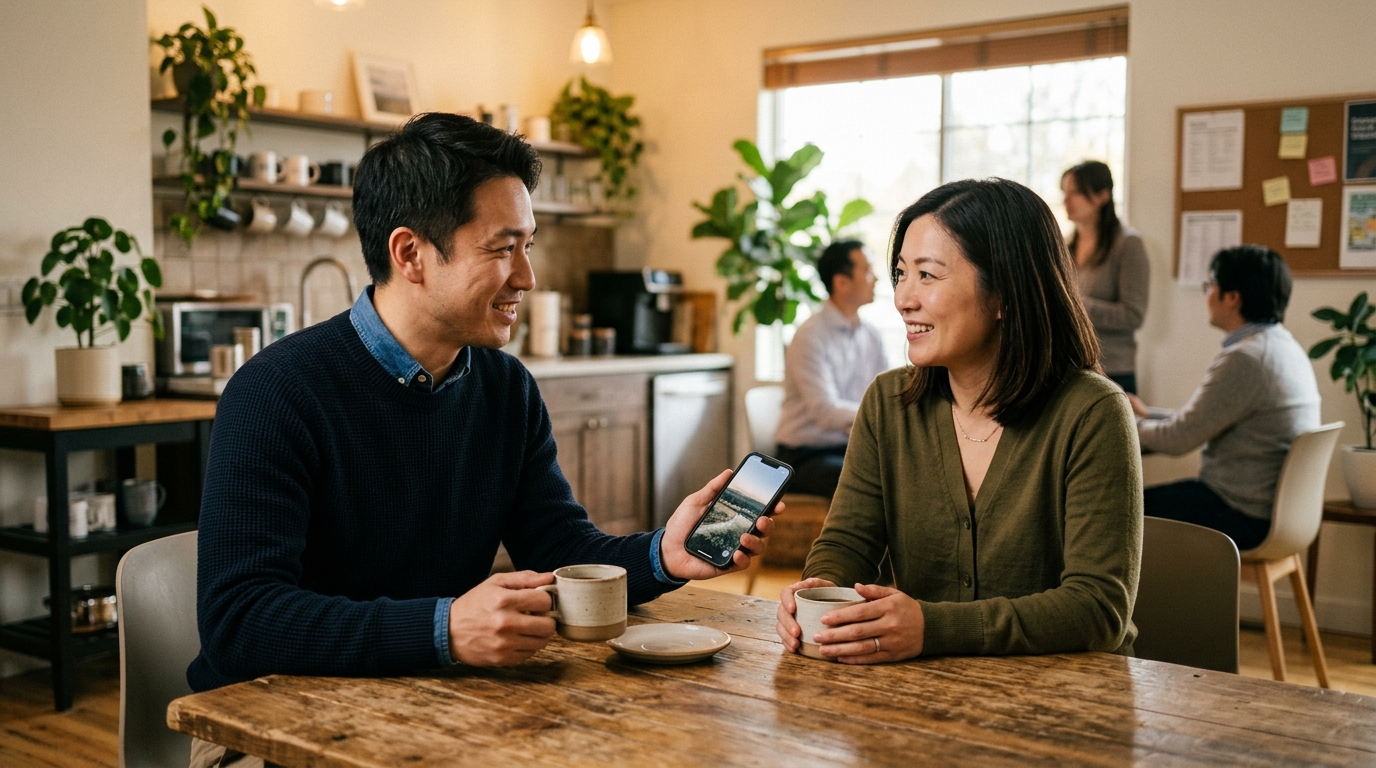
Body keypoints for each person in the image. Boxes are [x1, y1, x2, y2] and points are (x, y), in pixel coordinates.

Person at [189, 113, 776, 767]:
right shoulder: (275, 393)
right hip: (264, 730)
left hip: (432, 707)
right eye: (502, 248)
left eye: (527, 246)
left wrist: (663, 553)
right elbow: (240, 619)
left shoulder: (504, 388)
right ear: (410, 254)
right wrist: (442, 628)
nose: (527, 277)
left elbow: (561, 551)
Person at [775, 178, 1142, 664]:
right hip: (925, 695)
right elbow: (847, 542)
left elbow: (1098, 608)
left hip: (1068, 700)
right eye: (901, 273)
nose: (904, 298)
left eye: (927, 275)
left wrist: (933, 627)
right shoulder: (889, 403)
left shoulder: (1093, 413)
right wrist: (819, 593)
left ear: (1004, 294)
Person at [1130, 245, 1319, 551]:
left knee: (1117, 511)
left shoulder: (1247, 359)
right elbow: (1204, 420)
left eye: (1211, 285)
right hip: (1275, 513)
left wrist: (1122, 424)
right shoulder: (1282, 347)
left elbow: (1179, 440)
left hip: (1238, 513)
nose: (1207, 294)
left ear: (1232, 298)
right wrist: (1148, 415)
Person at [774, 240, 890, 496]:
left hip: (850, 447)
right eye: (868, 270)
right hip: (804, 456)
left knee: (903, 470)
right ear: (841, 282)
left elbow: (886, 396)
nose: (876, 278)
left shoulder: (871, 335)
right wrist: (875, 414)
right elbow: (825, 412)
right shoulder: (810, 336)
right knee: (870, 481)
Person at [1062, 161, 1149, 394]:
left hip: (1113, 370)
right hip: (1069, 367)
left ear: (1102, 196)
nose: (1066, 201)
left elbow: (1133, 315)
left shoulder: (1128, 244)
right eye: (1065, 193)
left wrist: (1076, 305)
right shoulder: (1064, 244)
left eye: (1076, 193)